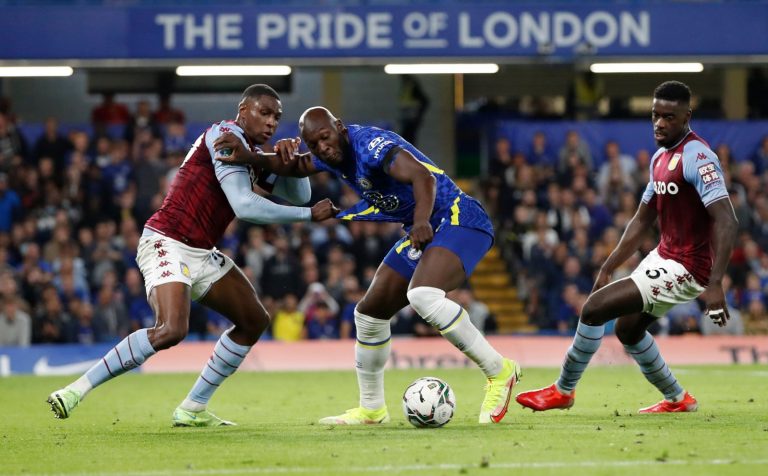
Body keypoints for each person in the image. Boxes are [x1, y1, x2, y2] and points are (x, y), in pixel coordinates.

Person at [47, 84, 339, 426]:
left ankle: (192, 408)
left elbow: (301, 195)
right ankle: (75, 390)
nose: (272, 122)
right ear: (243, 110)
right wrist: (307, 217)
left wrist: (291, 161)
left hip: (202, 252)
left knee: (254, 321)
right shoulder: (224, 136)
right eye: (264, 112)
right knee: (171, 329)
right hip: (166, 240)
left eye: (277, 116)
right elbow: (245, 206)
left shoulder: (256, 155)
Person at [214, 106, 521, 425]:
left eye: (325, 137)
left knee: (423, 295)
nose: (322, 147)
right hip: (428, 227)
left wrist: (418, 223)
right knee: (369, 315)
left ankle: (500, 372)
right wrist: (251, 157)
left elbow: (422, 176)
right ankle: (372, 409)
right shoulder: (327, 154)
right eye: (314, 143)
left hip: (459, 219)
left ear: (340, 128)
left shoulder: (371, 146)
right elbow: (300, 165)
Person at [516, 81, 738, 414]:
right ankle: (678, 399)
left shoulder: (698, 156)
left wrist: (716, 282)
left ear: (687, 116)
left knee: (593, 309)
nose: (660, 123)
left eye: (669, 117)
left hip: (690, 267)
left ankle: (563, 391)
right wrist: (607, 266)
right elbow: (640, 220)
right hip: (665, 256)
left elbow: (727, 220)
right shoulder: (661, 157)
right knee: (628, 330)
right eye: (655, 115)